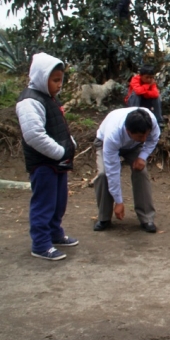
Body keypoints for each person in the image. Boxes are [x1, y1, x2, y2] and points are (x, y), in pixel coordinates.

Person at [15, 53, 79, 260]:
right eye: (55, 80)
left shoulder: (49, 98)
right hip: (43, 163)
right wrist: (60, 151)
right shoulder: (29, 102)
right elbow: (34, 135)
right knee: (44, 203)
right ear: (42, 77)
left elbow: (58, 126)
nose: (59, 84)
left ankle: (54, 234)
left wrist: (70, 144)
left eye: (61, 79)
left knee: (58, 201)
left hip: (57, 162)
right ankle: (41, 244)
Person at [93, 107, 161, 233]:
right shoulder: (112, 134)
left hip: (134, 145)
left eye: (147, 134)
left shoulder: (150, 120)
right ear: (128, 131)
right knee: (103, 174)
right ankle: (104, 217)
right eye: (141, 135)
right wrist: (119, 201)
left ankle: (147, 218)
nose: (145, 138)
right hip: (104, 143)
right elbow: (112, 170)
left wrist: (142, 156)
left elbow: (153, 139)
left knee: (141, 171)